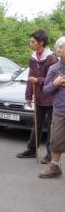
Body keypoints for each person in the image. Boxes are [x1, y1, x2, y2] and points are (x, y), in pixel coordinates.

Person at [16, 30, 57, 163]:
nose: (30, 44)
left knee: (52, 126)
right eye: (31, 41)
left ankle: (50, 154)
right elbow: (30, 78)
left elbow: (55, 80)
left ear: (41, 43)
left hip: (51, 97)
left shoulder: (52, 58)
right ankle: (32, 149)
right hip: (39, 97)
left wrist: (37, 80)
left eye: (33, 41)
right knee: (36, 123)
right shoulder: (33, 58)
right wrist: (28, 95)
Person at [40, 37, 65, 178]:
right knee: (56, 140)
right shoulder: (54, 68)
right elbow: (46, 90)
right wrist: (55, 83)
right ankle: (55, 166)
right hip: (61, 110)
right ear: (60, 51)